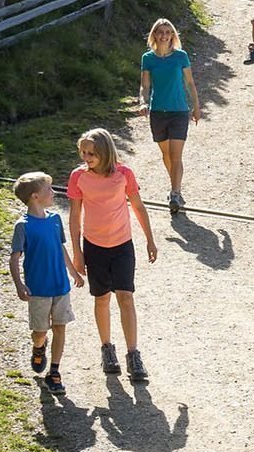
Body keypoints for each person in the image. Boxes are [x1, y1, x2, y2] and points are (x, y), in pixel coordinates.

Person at [68, 128, 157, 382]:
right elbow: (75, 217)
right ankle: (107, 349)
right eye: (83, 152)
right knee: (102, 299)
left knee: (126, 297)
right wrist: (77, 252)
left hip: (122, 245)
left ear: (105, 152)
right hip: (94, 246)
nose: (86, 157)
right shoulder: (78, 177)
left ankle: (133, 354)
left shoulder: (124, 174)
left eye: (91, 153)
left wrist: (150, 239)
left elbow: (138, 206)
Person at [9, 172, 86, 396]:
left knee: (60, 328)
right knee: (40, 331)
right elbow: (14, 258)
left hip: (60, 286)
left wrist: (73, 273)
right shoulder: (23, 226)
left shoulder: (55, 219)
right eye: (49, 190)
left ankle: (54, 372)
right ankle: (39, 346)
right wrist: (19, 285)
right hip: (38, 290)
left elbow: (60, 248)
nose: (54, 193)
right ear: (35, 196)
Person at [138, 18, 201, 214]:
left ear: (173, 35)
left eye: (168, 32)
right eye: (161, 32)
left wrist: (196, 106)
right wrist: (142, 101)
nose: (164, 35)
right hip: (158, 112)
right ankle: (175, 185)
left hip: (179, 111)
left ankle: (175, 192)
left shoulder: (181, 56)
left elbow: (190, 83)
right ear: (154, 35)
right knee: (166, 155)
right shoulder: (147, 58)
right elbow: (145, 85)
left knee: (176, 155)